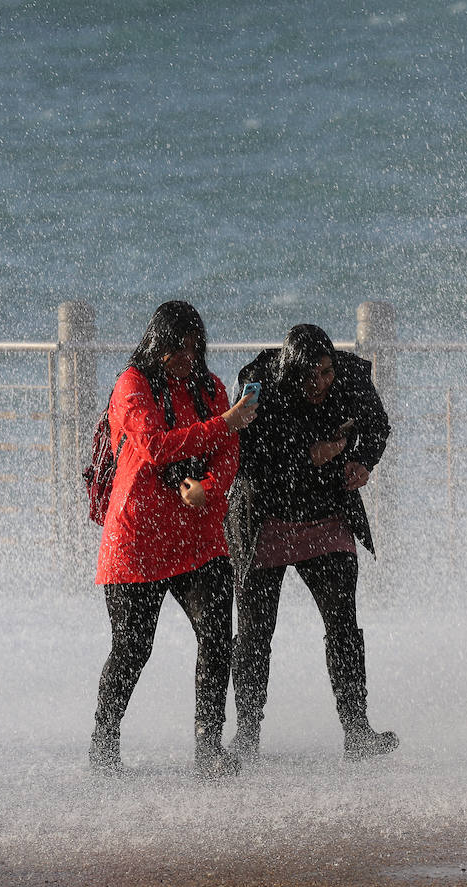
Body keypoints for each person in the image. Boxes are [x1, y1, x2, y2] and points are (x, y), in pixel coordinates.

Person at [90, 300, 258, 778]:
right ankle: (103, 745)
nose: (186, 357)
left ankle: (208, 747)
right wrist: (226, 421)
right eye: (176, 347)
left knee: (216, 637)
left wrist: (212, 485)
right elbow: (154, 447)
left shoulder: (211, 388)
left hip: (198, 539)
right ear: (155, 345)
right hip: (137, 540)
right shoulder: (131, 385)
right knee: (132, 647)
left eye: (193, 347)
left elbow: (230, 451)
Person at [225, 323, 398, 761]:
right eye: (309, 376)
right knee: (254, 635)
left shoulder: (349, 375)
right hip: (266, 520)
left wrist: (363, 461)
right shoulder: (259, 384)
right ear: (290, 373)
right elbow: (245, 458)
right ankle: (246, 735)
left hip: (326, 518)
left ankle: (357, 732)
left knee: (343, 627)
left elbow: (378, 424)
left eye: (324, 373)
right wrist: (309, 455)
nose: (319, 384)